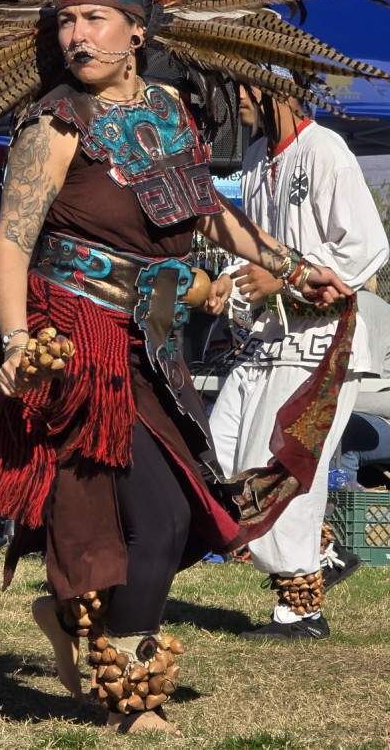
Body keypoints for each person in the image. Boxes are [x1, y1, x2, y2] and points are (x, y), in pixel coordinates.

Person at [0, 0, 352, 736]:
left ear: (137, 31)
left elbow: (208, 212)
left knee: (168, 511)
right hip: (76, 340)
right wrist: (13, 341)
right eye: (66, 21)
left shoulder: (166, 107)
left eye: (95, 19)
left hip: (150, 342)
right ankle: (133, 693)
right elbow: (10, 240)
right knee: (152, 519)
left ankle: (73, 619)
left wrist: (293, 267)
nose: (77, 35)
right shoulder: (56, 122)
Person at [206, 81, 389, 641]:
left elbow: (366, 246)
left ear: (277, 86)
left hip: (319, 346)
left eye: (241, 83)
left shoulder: (326, 150)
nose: (233, 96)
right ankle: (324, 555)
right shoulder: (259, 158)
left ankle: (302, 610)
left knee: (284, 468)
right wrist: (231, 282)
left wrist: (287, 276)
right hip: (264, 343)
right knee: (215, 456)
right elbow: (256, 253)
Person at [333, 287, 390, 489]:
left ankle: (347, 514)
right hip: (375, 414)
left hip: (382, 419)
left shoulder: (364, 305)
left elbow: (365, 386)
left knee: (345, 428)